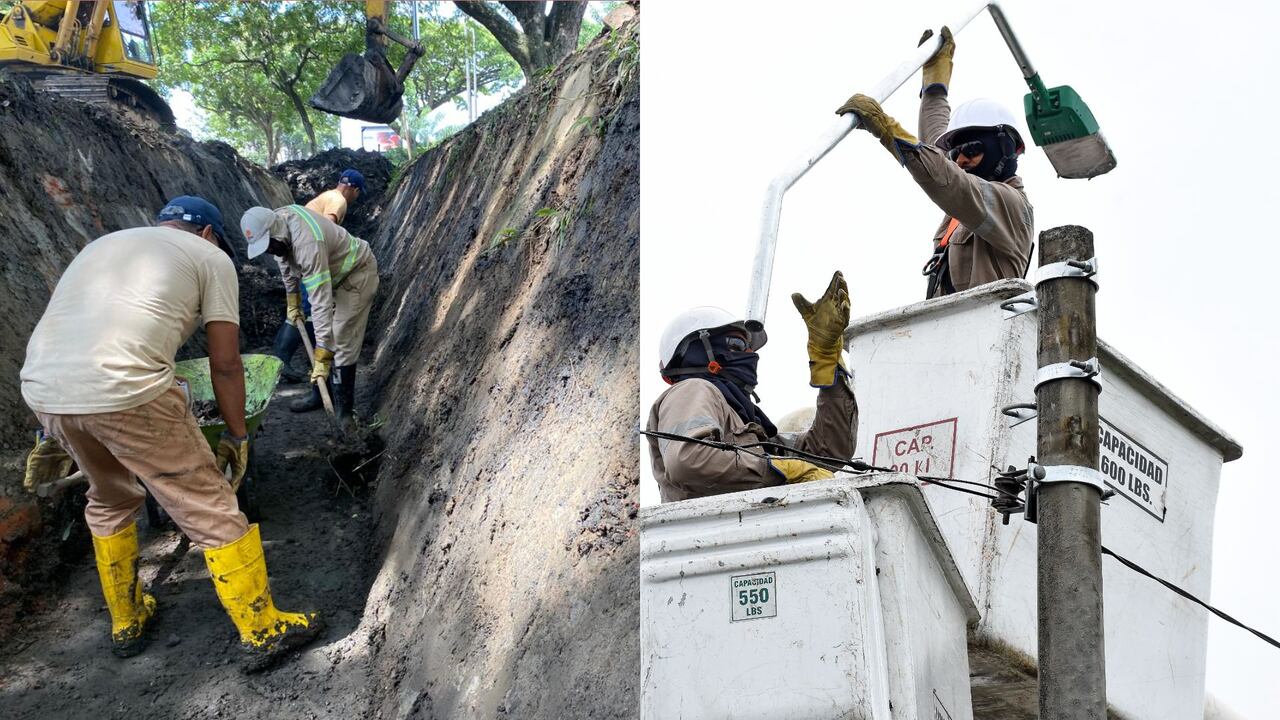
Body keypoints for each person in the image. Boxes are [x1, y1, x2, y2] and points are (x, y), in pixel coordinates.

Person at [20, 196, 322, 669]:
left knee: (109, 499)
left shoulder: (103, 245)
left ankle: (128, 620)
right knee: (210, 505)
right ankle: (262, 629)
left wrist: (52, 428)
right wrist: (237, 436)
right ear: (208, 234)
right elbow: (226, 364)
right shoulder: (210, 257)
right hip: (128, 391)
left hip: (45, 392)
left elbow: (71, 336)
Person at [835, 27, 1034, 299]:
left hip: (985, 323)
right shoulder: (966, 206)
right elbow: (935, 152)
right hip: (950, 322)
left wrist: (887, 130)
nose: (960, 159)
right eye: (956, 153)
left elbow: (946, 177)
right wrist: (934, 86)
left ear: (1004, 150)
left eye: (972, 150)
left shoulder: (1012, 207)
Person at [647, 272, 858, 502]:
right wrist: (778, 469)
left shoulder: (747, 424)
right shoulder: (692, 390)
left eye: (750, 347)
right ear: (699, 351)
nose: (750, 355)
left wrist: (828, 363)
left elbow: (828, 452)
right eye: (737, 344)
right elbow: (689, 460)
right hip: (711, 524)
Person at [241, 203, 378, 427]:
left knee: (340, 341)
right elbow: (285, 264)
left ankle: (344, 414)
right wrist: (293, 301)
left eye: (270, 246)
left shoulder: (307, 242)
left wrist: (323, 355)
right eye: (266, 249)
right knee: (317, 331)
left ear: (275, 233)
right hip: (333, 277)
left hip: (356, 276)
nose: (270, 251)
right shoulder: (279, 229)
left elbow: (320, 300)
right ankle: (320, 394)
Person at [271, 169, 365, 384]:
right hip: (310, 259)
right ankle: (293, 359)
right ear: (354, 189)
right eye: (358, 193)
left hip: (300, 257)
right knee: (311, 310)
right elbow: (325, 229)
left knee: (303, 311)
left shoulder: (326, 196)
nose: (356, 197)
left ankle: (289, 359)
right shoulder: (338, 201)